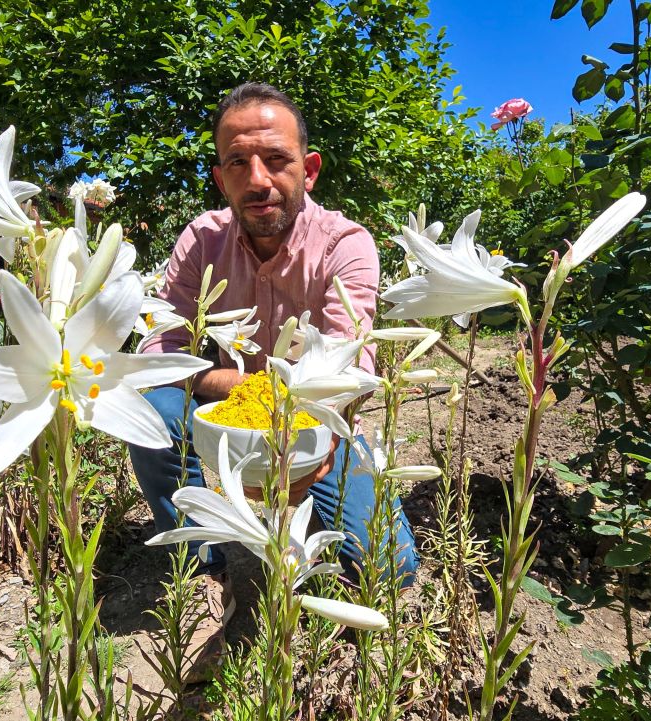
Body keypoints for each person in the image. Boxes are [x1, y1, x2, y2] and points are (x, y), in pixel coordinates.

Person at [132, 82, 418, 681]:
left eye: (277, 160)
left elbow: (348, 365)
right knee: (152, 412)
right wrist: (248, 390)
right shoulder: (200, 240)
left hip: (317, 422)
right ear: (221, 177)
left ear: (308, 169)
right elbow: (162, 351)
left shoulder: (346, 243)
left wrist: (309, 455)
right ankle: (205, 571)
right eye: (238, 162)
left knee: (389, 567)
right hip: (227, 413)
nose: (258, 179)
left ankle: (313, 559)